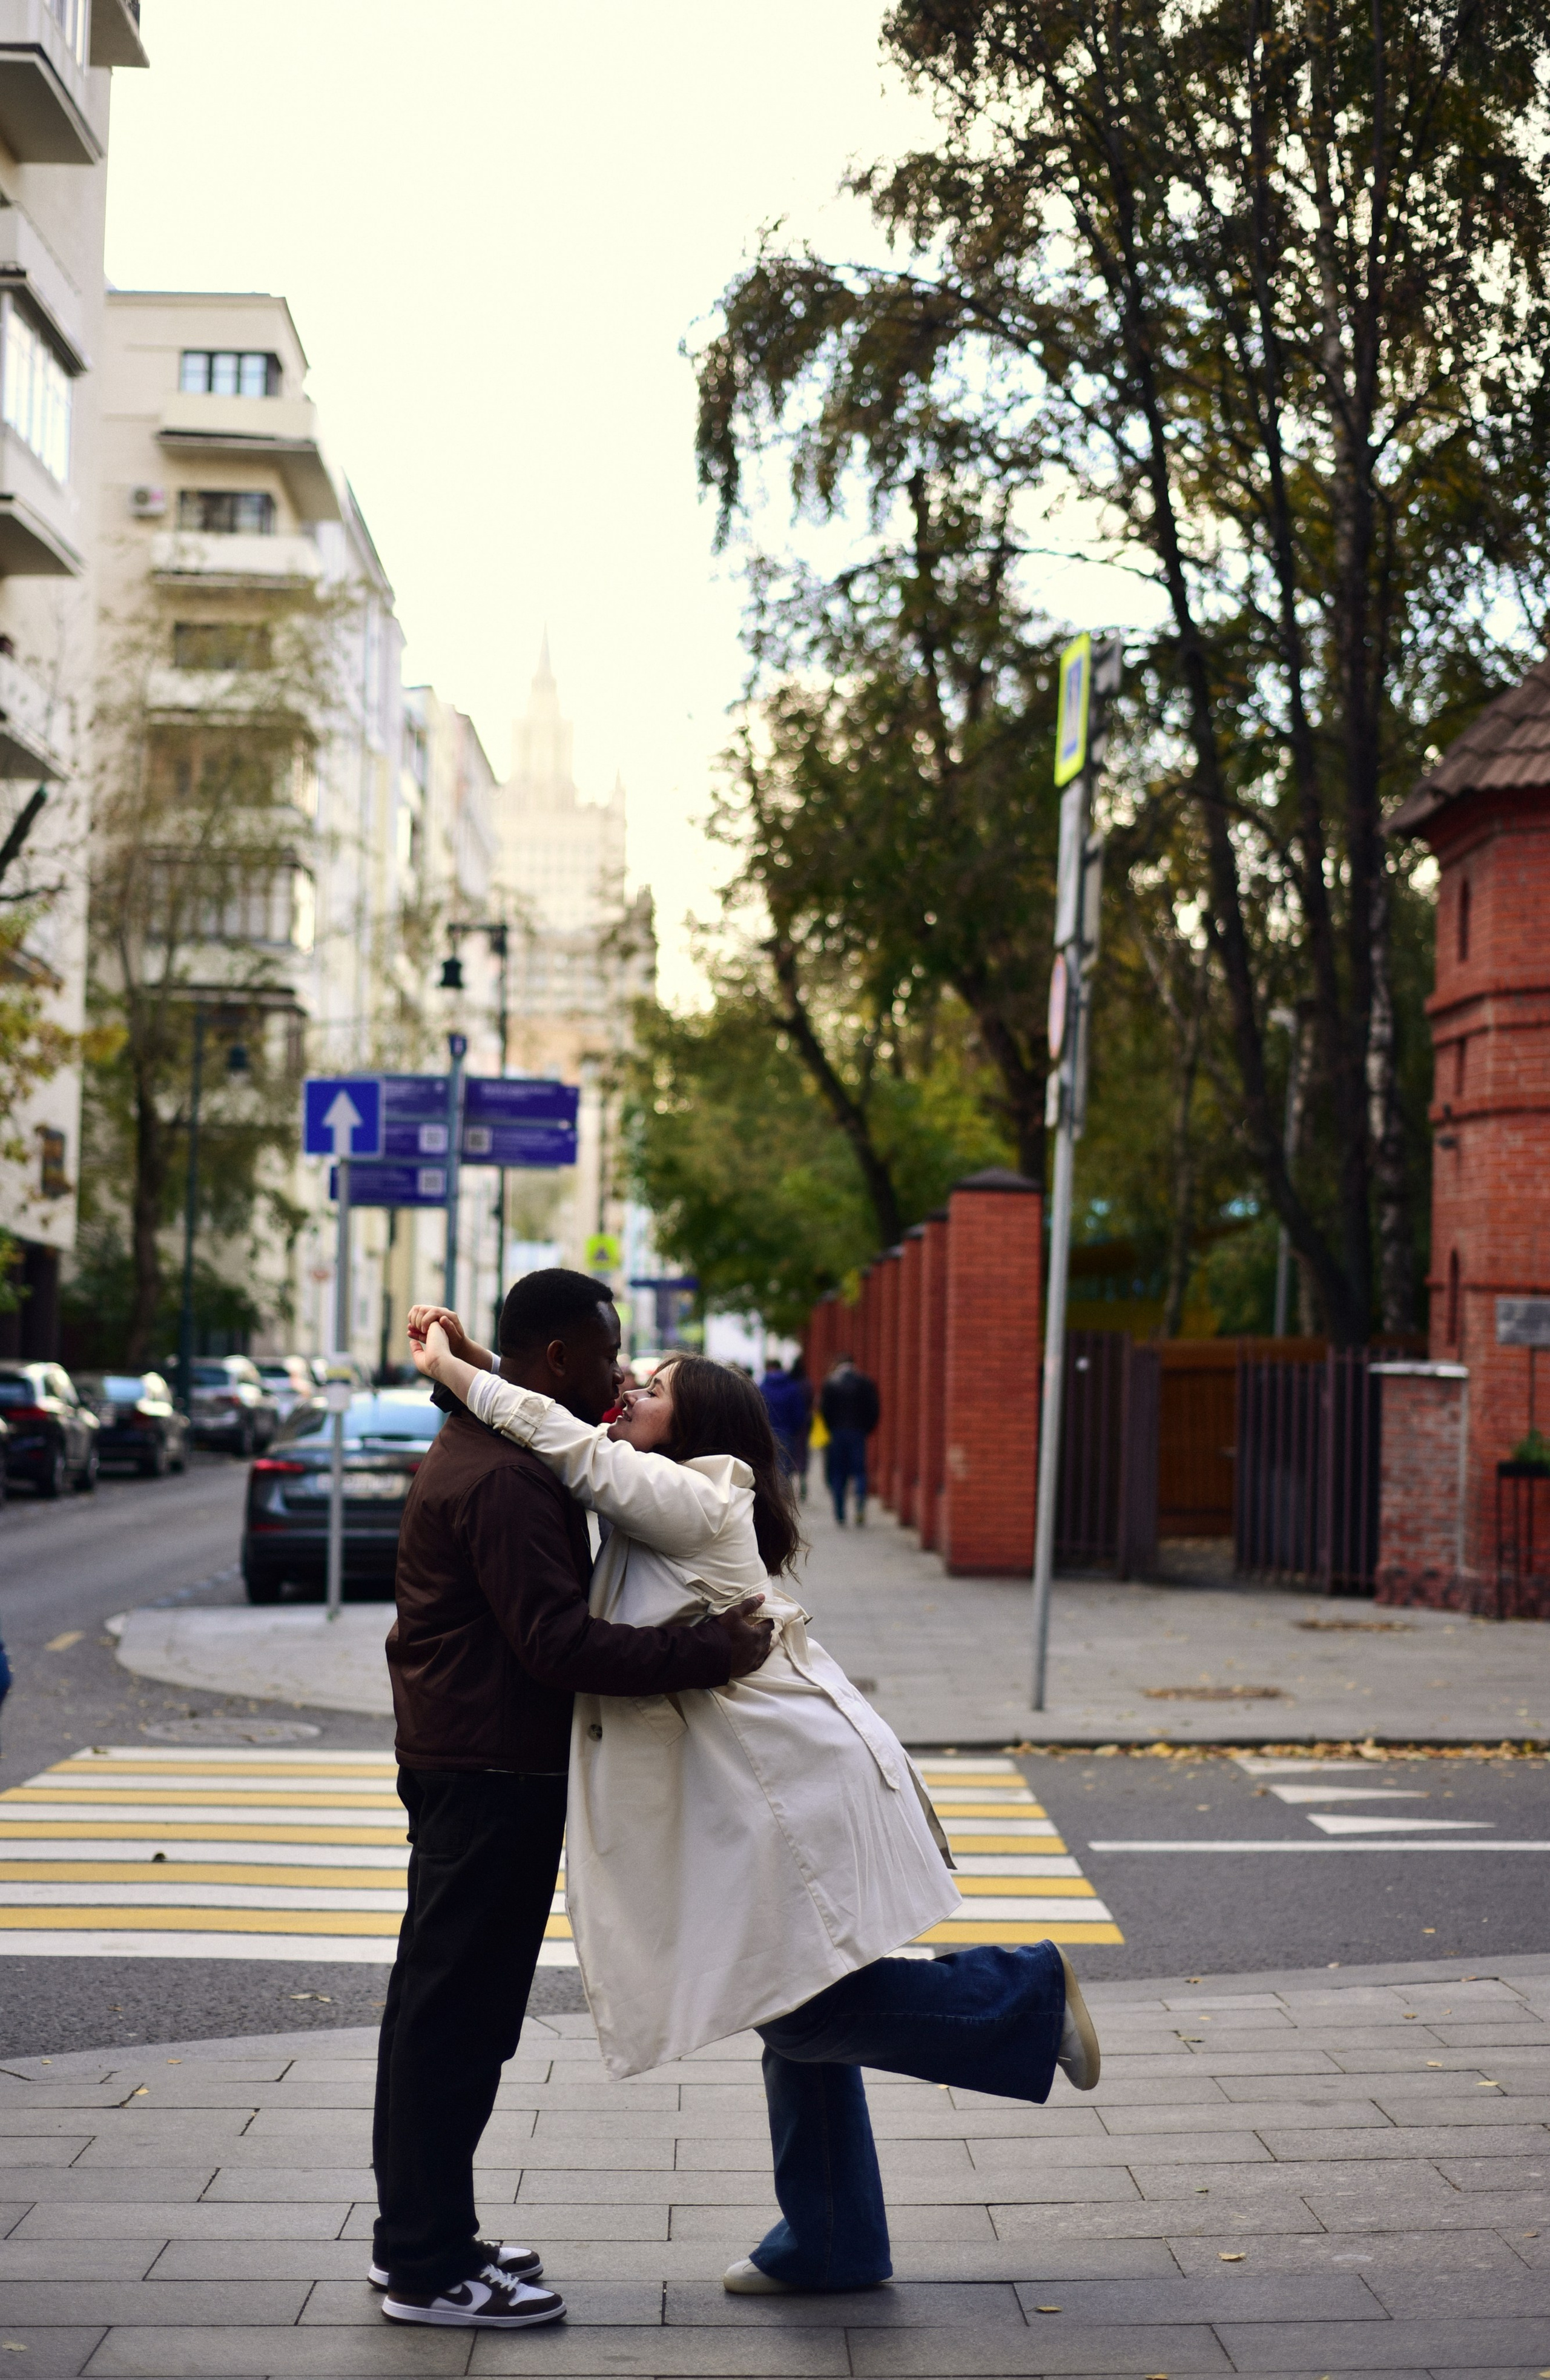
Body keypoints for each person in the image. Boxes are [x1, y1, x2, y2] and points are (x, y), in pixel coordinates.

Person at [410, 1306, 1103, 2298]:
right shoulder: (664, 1498)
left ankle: (1022, 1997)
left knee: (803, 2017)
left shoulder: (698, 1497)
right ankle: (834, 2239)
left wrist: (461, 1374)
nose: (628, 1395)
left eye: (650, 1392)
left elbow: (571, 1447)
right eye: (633, 1381)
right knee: (794, 2000)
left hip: (791, 1801)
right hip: (765, 1798)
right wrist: (479, 1363)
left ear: (693, 1432)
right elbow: (575, 1437)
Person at [371, 1268, 774, 2332]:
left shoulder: (497, 1441)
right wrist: (708, 1649)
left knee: (441, 2012)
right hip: (491, 1772)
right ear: (557, 1358)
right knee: (454, 2022)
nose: (619, 1369)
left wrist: (459, 1367)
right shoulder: (505, 1481)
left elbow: (526, 1425)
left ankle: (426, 2236)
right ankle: (427, 2266)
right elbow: (556, 1644)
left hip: (474, 1760)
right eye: (607, 1352)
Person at [819, 1350, 879, 1525]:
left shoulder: (830, 1383)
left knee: (838, 1472)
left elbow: (825, 1411)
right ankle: (860, 1503)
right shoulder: (864, 1382)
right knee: (860, 1471)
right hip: (858, 1433)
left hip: (837, 1433)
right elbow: (874, 1409)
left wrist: (832, 1428)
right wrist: (866, 1428)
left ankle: (840, 1512)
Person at [757, 1357, 810, 1492]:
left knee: (770, 1464)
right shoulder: (792, 1388)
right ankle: (784, 1492)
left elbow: (757, 1411)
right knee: (785, 1464)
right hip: (787, 1432)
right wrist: (794, 1430)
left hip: (768, 1432)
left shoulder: (762, 1388)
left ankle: (774, 1492)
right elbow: (799, 1414)